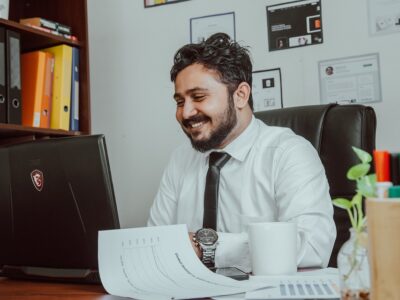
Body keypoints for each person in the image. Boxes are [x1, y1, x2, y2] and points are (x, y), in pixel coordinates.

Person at [147, 33, 336, 272]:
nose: (185, 113)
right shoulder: (181, 159)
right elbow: (155, 242)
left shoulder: (288, 153)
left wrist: (209, 247)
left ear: (240, 95)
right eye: (179, 102)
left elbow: (313, 246)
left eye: (198, 97)